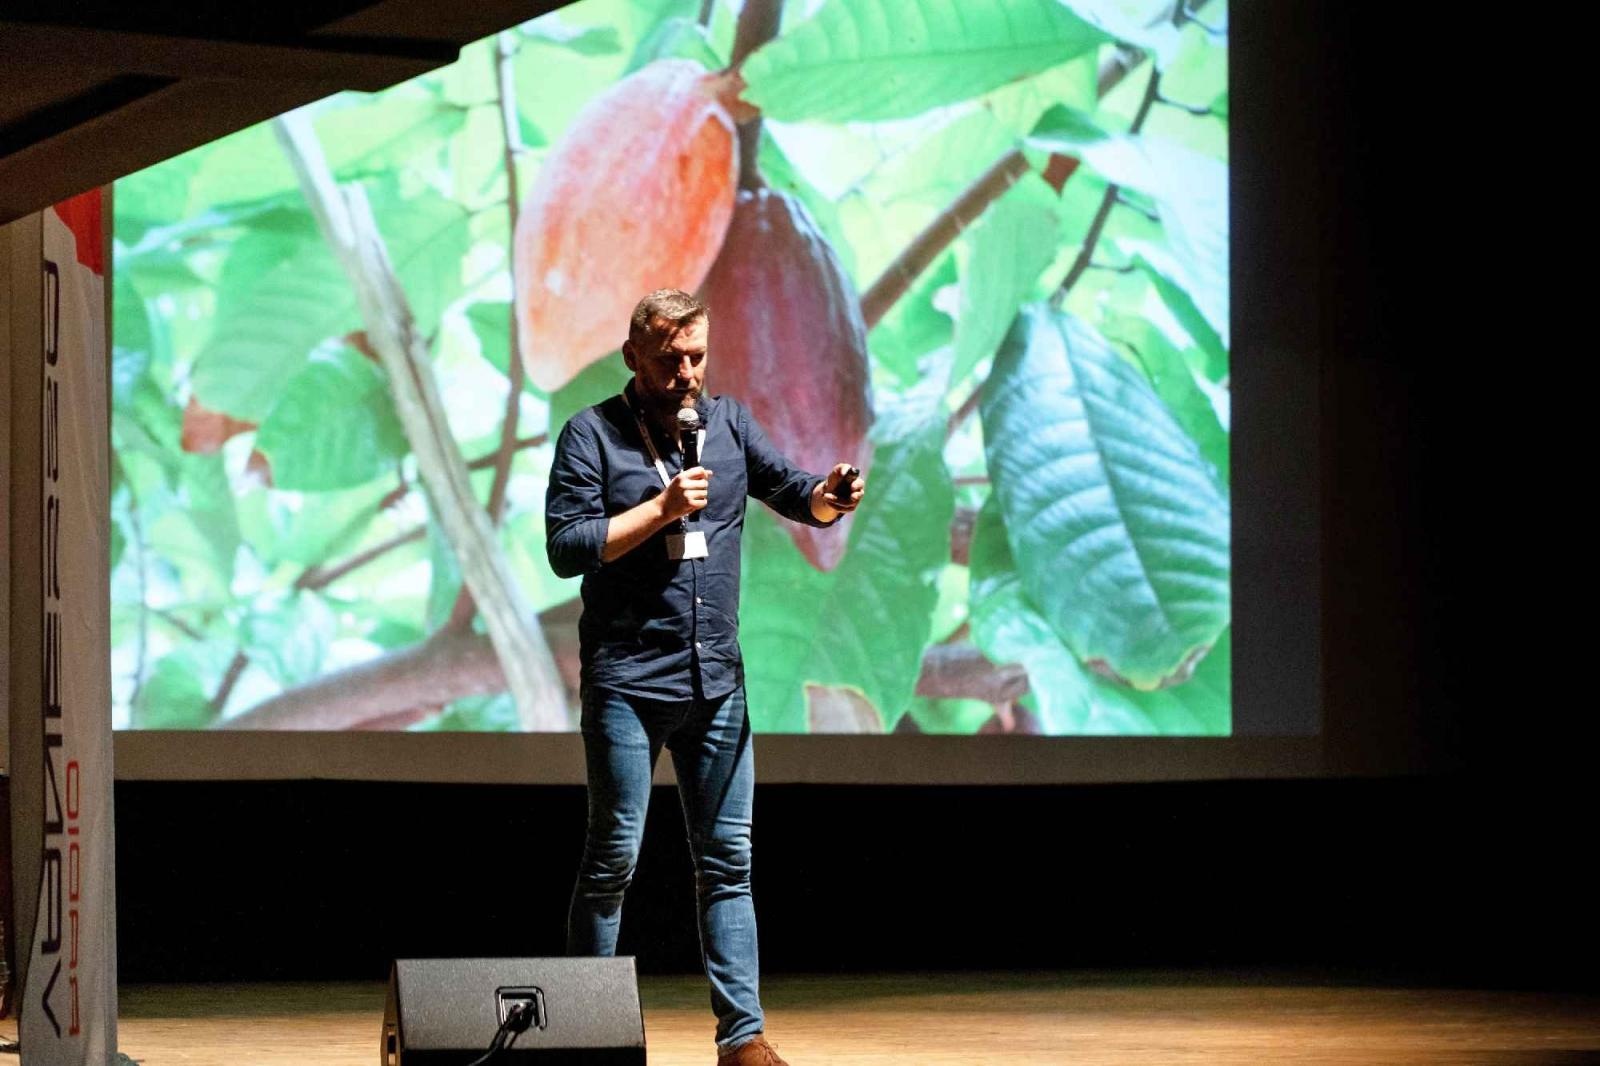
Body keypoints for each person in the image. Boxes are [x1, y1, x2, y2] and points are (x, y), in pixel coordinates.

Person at [545, 289, 864, 1066]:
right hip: (628, 681)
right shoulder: (591, 435)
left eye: (696, 358)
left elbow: (792, 490)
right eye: (669, 360)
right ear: (633, 358)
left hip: (716, 685)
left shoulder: (726, 425)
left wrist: (826, 499)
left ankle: (742, 1038)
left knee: (727, 861)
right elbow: (567, 546)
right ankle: (590, 1030)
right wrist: (658, 510)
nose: (686, 374)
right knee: (614, 858)